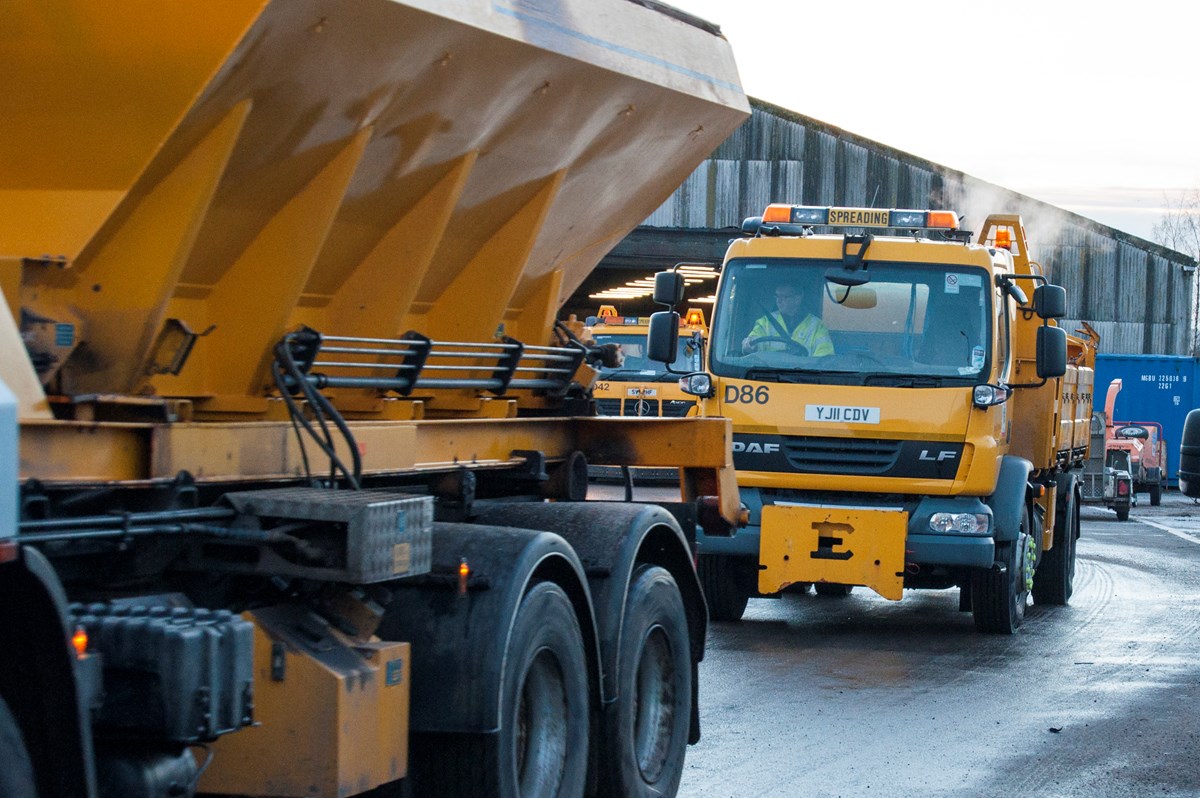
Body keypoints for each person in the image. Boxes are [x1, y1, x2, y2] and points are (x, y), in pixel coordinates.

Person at [742, 283, 834, 356]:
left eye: (784, 297)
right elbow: (754, 339)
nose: (778, 300)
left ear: (797, 299)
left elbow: (824, 359)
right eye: (777, 296)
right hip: (768, 375)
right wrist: (748, 343)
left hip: (804, 378)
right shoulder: (766, 322)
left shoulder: (816, 326)